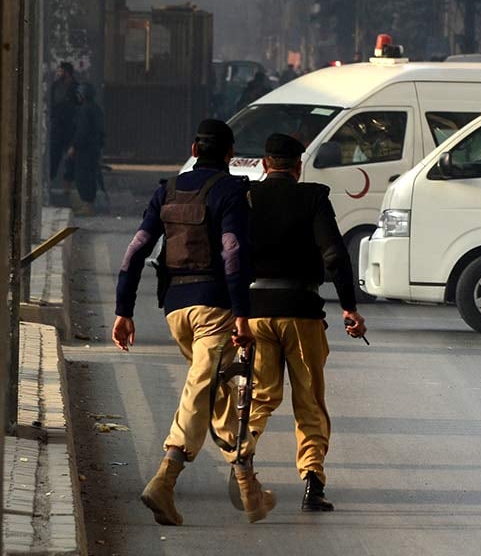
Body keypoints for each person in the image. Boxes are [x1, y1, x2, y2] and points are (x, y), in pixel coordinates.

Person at [111, 119, 276, 525]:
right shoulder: (230, 191)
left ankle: (249, 489)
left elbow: (135, 251)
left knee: (214, 389)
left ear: (193, 148)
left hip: (175, 310)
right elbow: (233, 254)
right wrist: (242, 313)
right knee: (201, 389)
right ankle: (164, 481)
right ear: (228, 154)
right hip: (215, 309)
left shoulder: (166, 190)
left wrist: (123, 310)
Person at [233, 133, 367, 512]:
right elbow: (335, 255)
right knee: (309, 400)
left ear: (264, 164)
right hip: (302, 312)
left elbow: (230, 253)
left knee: (260, 395)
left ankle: (243, 456)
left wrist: (235, 309)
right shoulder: (313, 197)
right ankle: (313, 482)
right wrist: (349, 308)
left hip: (255, 311)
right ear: (298, 166)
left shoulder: (247, 198)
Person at [64, 83, 104, 215]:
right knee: (90, 177)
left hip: (84, 150)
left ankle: (87, 207)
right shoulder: (96, 109)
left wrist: (74, 146)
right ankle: (88, 206)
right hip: (93, 149)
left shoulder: (84, 110)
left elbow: (82, 131)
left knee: (83, 177)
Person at [48, 62, 79, 185]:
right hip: (57, 126)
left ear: (67, 72)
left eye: (61, 71)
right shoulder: (55, 86)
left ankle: (68, 184)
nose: (58, 73)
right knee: (54, 155)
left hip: (70, 127)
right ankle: (50, 180)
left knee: (70, 158)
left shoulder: (76, 87)